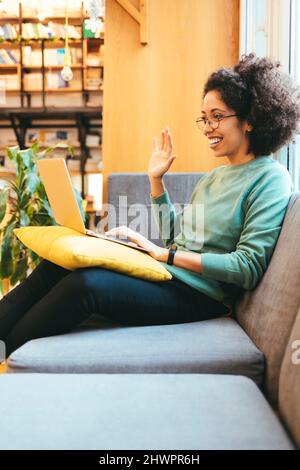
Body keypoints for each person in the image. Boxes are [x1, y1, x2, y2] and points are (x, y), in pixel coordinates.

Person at [1, 53, 300, 359]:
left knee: (85, 285)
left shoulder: (270, 178)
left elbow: (247, 267)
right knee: (60, 263)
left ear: (250, 119)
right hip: (167, 274)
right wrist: (157, 182)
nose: (208, 127)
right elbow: (179, 237)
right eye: (204, 118)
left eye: (217, 116)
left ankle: (8, 353)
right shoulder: (215, 177)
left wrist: (164, 254)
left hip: (200, 296)